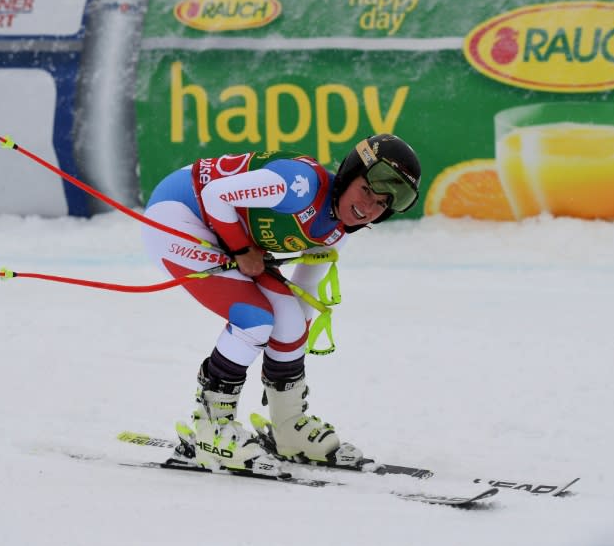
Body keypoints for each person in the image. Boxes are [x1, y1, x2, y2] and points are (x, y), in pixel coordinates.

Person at [141, 134, 421, 475]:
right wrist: (243, 250)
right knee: (254, 319)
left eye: (381, 204)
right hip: (176, 216)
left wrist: (290, 347)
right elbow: (215, 196)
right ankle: (211, 428)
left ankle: (288, 426)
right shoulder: (297, 186)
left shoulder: (337, 232)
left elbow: (302, 296)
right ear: (349, 175)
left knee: (290, 319)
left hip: (218, 229)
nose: (368, 207)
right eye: (366, 190)